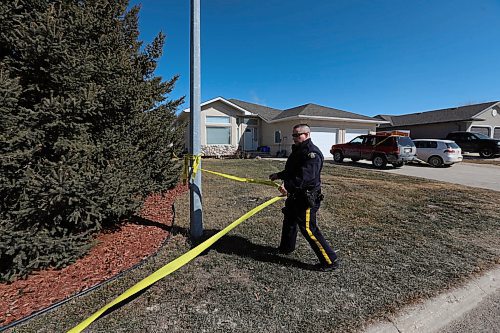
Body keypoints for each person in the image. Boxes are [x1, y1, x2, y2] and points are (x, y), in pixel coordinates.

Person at [269, 124, 339, 271]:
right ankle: (286, 248)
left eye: (297, 135)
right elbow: (293, 170)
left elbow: (304, 177)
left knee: (308, 229)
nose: (294, 138)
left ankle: (330, 261)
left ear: (307, 135)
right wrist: (279, 175)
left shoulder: (312, 154)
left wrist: (287, 185)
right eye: (293, 135)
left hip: (306, 198)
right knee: (289, 220)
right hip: (295, 196)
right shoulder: (298, 150)